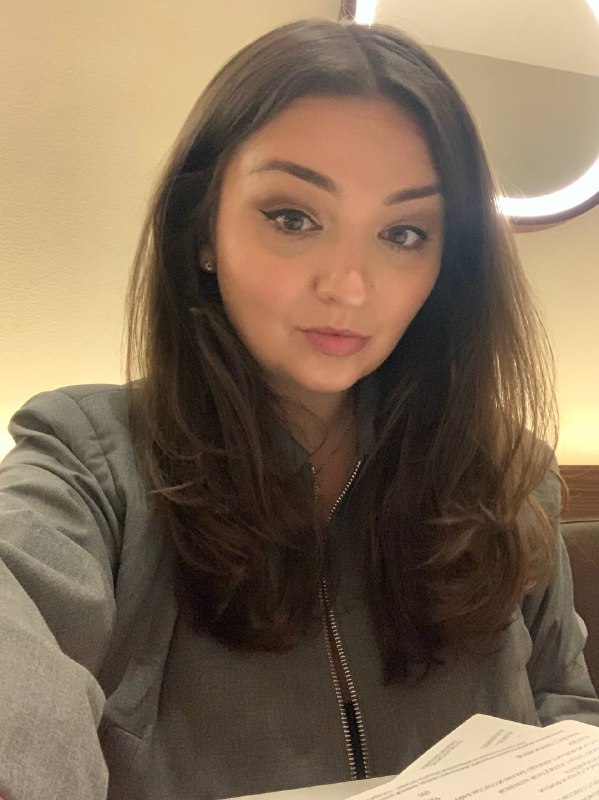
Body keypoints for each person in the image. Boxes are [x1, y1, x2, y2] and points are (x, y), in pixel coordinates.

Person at [1, 17, 598, 800]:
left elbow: (562, 711)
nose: (348, 286)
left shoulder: (502, 476)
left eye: (403, 233)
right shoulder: (89, 462)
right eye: (292, 218)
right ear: (202, 230)